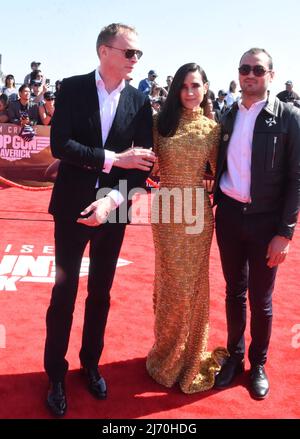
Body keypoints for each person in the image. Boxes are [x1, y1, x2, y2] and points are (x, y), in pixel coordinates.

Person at [44, 22, 156, 417]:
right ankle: (55, 374)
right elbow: (61, 144)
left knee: (101, 294)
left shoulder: (140, 103)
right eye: (129, 53)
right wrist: (113, 159)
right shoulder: (72, 88)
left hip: (114, 208)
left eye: (138, 54)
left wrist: (110, 200)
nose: (135, 61)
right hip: (72, 207)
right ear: (104, 52)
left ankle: (90, 364)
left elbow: (140, 167)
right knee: (64, 293)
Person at [213, 48, 300, 399]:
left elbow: (296, 178)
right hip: (230, 216)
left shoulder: (289, 117)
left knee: (261, 299)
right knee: (233, 293)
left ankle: (258, 363)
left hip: (267, 222)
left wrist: (285, 232)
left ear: (271, 75)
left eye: (258, 69)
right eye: (244, 69)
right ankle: (233, 357)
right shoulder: (227, 115)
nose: (250, 75)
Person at [146, 63, 228, 394]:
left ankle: (190, 355)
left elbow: (226, 170)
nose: (190, 91)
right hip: (165, 211)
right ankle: (166, 354)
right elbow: (141, 161)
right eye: (184, 86)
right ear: (176, 90)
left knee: (190, 286)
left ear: (206, 88)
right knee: (168, 283)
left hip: (196, 214)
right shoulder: (157, 124)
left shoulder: (212, 129)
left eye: (196, 85)